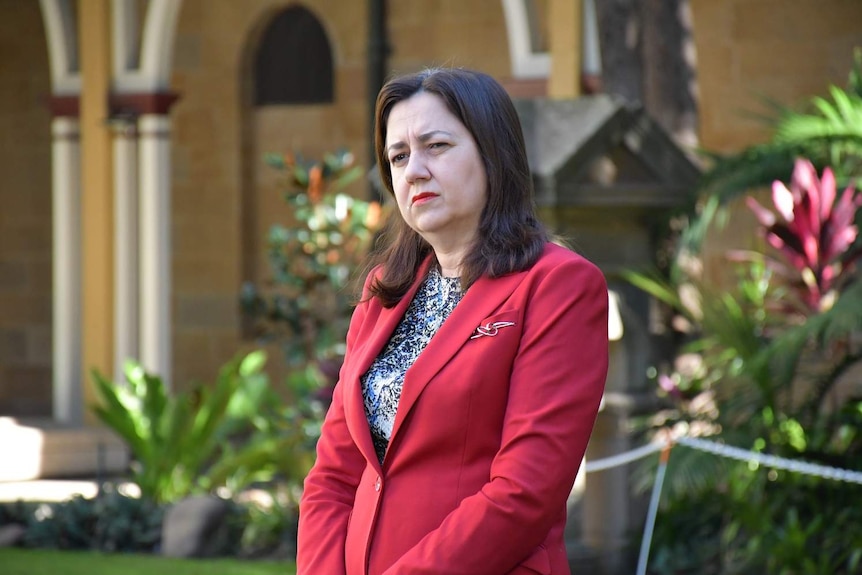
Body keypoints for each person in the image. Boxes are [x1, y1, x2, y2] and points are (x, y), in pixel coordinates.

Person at [296, 67, 608, 575]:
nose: (414, 170)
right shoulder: (383, 295)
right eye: (398, 156)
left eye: (435, 146)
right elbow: (333, 477)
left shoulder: (556, 286)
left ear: (492, 153)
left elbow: (525, 492)